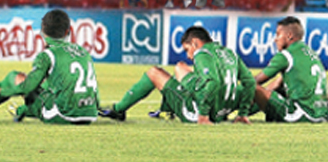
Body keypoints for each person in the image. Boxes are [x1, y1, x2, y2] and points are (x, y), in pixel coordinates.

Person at [100, 26, 255, 125]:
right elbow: (250, 82)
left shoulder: (202, 53)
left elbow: (212, 82)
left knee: (155, 73)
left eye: (187, 49)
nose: (189, 55)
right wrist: (242, 113)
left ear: (195, 43)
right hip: (223, 110)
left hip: (197, 112)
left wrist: (203, 116)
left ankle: (118, 110)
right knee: (181, 68)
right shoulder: (229, 53)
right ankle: (167, 108)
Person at [0, 9, 100, 124]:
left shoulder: (46, 55)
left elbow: (27, 88)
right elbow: (95, 91)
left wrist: (1, 91)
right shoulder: (83, 52)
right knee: (46, 86)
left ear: (42, 32)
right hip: (90, 114)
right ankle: (22, 110)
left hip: (63, 115)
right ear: (67, 32)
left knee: (14, 77)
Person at [253, 17, 328, 123]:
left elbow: (255, 81)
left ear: (289, 36)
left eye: (278, 34)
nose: (275, 39)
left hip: (302, 114)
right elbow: (276, 85)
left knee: (252, 87)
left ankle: (228, 109)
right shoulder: (311, 53)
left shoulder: (286, 55)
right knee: (278, 88)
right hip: (323, 114)